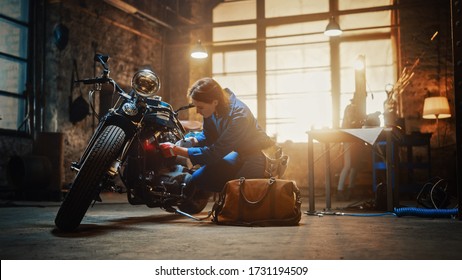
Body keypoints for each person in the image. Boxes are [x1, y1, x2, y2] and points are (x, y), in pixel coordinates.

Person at [159, 77, 274, 194]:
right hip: (238, 154)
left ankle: (240, 191)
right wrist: (195, 140)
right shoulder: (213, 109)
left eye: (200, 107)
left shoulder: (239, 116)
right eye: (196, 106)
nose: (198, 111)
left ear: (215, 101)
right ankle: (229, 192)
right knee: (198, 179)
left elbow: (214, 153)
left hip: (256, 155)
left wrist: (176, 150)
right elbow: (209, 135)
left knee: (239, 192)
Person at [337, 99, 363, 201]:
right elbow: (350, 122)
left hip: (355, 140)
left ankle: (350, 190)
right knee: (347, 165)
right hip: (347, 138)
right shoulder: (350, 108)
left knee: (354, 166)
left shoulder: (356, 109)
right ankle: (340, 191)